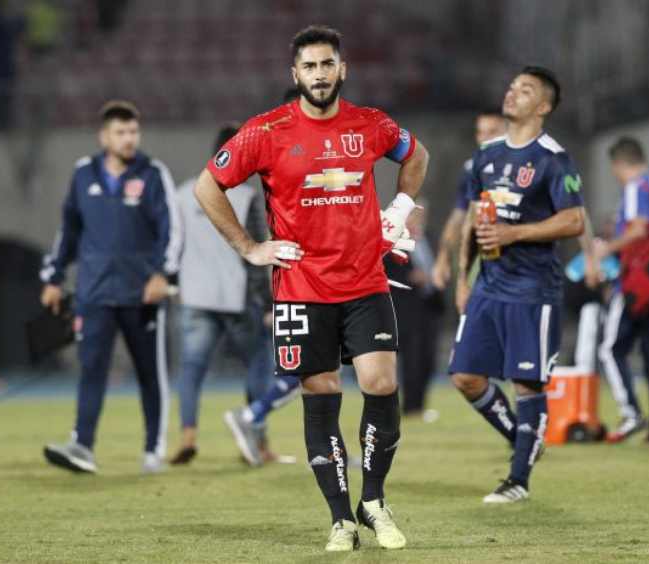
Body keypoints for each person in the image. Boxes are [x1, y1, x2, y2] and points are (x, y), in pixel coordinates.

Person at [193, 26, 428, 551]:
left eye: (327, 64)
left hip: (365, 279)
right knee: (320, 394)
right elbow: (207, 186)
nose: (319, 75)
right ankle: (341, 518)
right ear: (294, 74)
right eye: (309, 67)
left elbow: (417, 156)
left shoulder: (371, 125)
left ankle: (374, 501)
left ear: (342, 69)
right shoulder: (265, 131)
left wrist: (400, 206)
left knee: (381, 383)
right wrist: (250, 248)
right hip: (301, 286)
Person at [450, 66, 586, 503]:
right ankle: (523, 437)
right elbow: (474, 220)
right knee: (465, 376)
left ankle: (519, 480)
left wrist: (514, 234)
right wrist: (462, 278)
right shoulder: (486, 157)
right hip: (488, 286)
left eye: (525, 90)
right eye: (511, 87)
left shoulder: (553, 158)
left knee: (526, 384)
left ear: (543, 106)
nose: (513, 94)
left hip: (532, 290)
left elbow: (574, 220)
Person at [39, 100, 182, 474]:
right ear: (105, 136)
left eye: (133, 131)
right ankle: (82, 446)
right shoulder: (83, 174)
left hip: (142, 295)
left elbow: (172, 230)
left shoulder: (153, 173)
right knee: (91, 372)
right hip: (95, 295)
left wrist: (162, 275)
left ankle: (153, 450)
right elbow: (67, 231)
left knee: (151, 374)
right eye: (121, 132)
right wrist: (52, 278)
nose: (129, 138)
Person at [171, 123, 300, 467]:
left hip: (194, 295)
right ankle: (257, 441)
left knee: (191, 368)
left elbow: (172, 244)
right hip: (234, 296)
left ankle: (188, 435)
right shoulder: (245, 197)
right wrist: (269, 302)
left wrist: (172, 283)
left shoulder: (185, 193)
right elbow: (259, 250)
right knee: (259, 359)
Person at [595, 136, 649, 444]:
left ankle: (631, 413)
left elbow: (638, 230)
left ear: (618, 163)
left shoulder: (634, 189)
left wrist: (607, 250)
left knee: (610, 349)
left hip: (636, 286)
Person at [431, 109, 506, 290]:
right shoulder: (471, 171)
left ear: (508, 132)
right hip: (484, 261)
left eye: (492, 132)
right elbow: (457, 218)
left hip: (522, 265)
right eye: (480, 132)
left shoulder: (529, 167)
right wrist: (443, 256)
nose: (484, 139)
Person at [385, 203, 445, 416]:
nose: (419, 217)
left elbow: (437, 263)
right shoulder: (393, 238)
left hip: (430, 305)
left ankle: (420, 405)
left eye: (422, 213)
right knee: (411, 358)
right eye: (415, 213)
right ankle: (411, 407)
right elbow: (384, 271)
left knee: (429, 359)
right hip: (405, 307)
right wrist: (408, 278)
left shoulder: (428, 235)